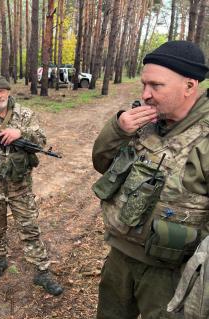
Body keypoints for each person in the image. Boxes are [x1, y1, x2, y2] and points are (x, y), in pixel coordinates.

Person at [92, 40, 209, 318]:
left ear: (190, 86)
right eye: (144, 84)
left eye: (156, 86)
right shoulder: (142, 122)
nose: (145, 94)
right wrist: (118, 129)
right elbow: (101, 163)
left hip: (171, 273)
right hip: (120, 256)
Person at [0, 76, 63, 296]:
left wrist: (21, 133)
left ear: (8, 91)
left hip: (19, 184)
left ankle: (42, 271)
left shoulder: (24, 114)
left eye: (2, 91)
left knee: (29, 227)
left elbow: (40, 140)